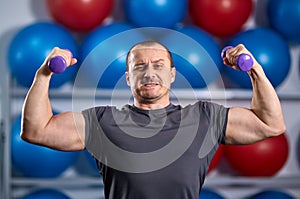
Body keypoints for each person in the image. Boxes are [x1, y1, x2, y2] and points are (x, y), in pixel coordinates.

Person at [21, 40, 286, 199]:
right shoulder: (103, 121)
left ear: (172, 74)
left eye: (158, 65)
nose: (149, 72)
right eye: (139, 66)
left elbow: (270, 123)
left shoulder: (205, 117)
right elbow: (37, 130)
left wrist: (254, 70)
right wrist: (44, 74)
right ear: (128, 78)